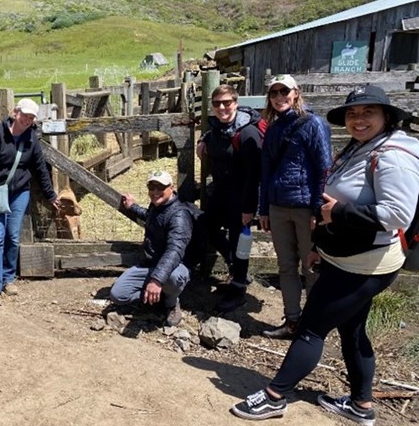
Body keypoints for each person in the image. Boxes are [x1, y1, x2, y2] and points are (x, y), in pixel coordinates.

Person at [231, 86, 419, 426]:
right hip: (351, 255)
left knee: (310, 329)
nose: (358, 120)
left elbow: (396, 214)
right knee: (352, 329)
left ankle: (276, 396)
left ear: (386, 116)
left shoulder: (392, 155)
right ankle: (361, 405)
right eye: (352, 114)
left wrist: (338, 214)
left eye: (367, 113)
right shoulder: (363, 147)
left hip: (364, 263)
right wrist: (321, 244)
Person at [259, 75, 332, 338]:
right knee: (286, 266)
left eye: (284, 91)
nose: (279, 97)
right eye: (274, 93)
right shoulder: (274, 128)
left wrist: (316, 210)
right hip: (278, 206)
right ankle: (292, 320)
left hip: (304, 207)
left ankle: (313, 325)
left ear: (296, 93)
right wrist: (264, 208)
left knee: (310, 266)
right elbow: (266, 170)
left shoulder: (313, 124)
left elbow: (323, 169)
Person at [0, 98, 59, 305]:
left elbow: (40, 168)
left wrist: (50, 194)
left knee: (13, 237)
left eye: (31, 117)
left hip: (19, 192)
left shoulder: (31, 138)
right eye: (25, 115)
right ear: (15, 113)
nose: (27, 120)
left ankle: (9, 278)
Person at [196, 84, 264, 313]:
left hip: (241, 196)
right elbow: (215, 133)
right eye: (217, 104)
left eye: (227, 102)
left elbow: (254, 174)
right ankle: (234, 266)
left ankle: (238, 290)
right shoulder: (216, 127)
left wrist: (249, 207)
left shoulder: (247, 132)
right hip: (221, 193)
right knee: (206, 226)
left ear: (236, 102)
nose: (222, 107)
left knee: (239, 242)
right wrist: (203, 139)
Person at [109, 170, 193, 327]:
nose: (155, 192)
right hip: (150, 265)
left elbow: (174, 250)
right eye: (151, 187)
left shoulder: (179, 216)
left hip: (175, 267)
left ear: (172, 188)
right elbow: (149, 216)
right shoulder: (157, 206)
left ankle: (171, 302)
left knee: (174, 278)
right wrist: (132, 206)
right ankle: (156, 296)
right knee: (117, 295)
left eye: (160, 187)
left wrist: (156, 279)